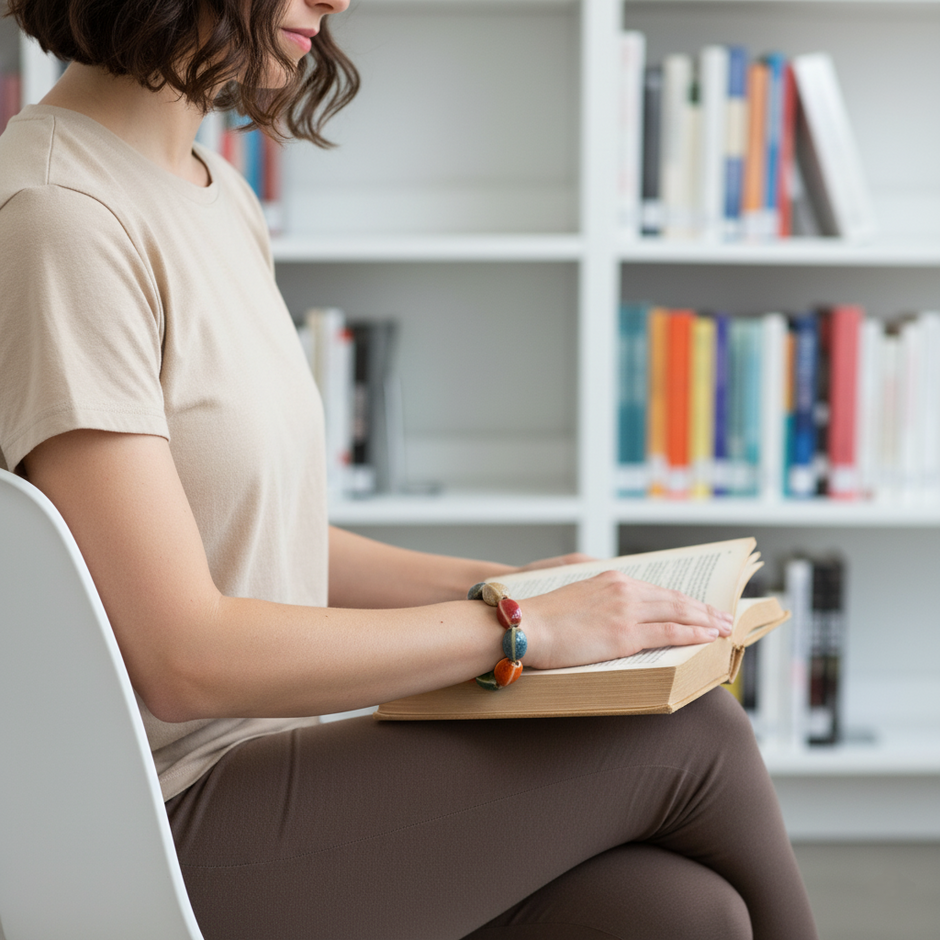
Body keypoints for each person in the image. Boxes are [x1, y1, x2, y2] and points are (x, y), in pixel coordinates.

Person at [0, 2, 818, 938]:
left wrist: (523, 586)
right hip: (156, 826)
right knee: (692, 734)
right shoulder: (61, 216)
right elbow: (183, 656)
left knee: (680, 914)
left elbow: (256, 536)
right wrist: (520, 629)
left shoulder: (215, 194)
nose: (337, 0)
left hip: (269, 764)